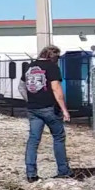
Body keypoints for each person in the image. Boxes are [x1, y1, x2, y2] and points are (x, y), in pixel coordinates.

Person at [17, 45, 72, 182]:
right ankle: (63, 170)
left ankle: (31, 173)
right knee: (58, 138)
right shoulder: (52, 67)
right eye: (58, 57)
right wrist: (64, 110)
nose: (58, 60)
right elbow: (56, 89)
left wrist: (30, 100)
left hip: (33, 109)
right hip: (50, 108)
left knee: (33, 140)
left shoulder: (29, 67)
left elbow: (21, 87)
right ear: (52, 56)